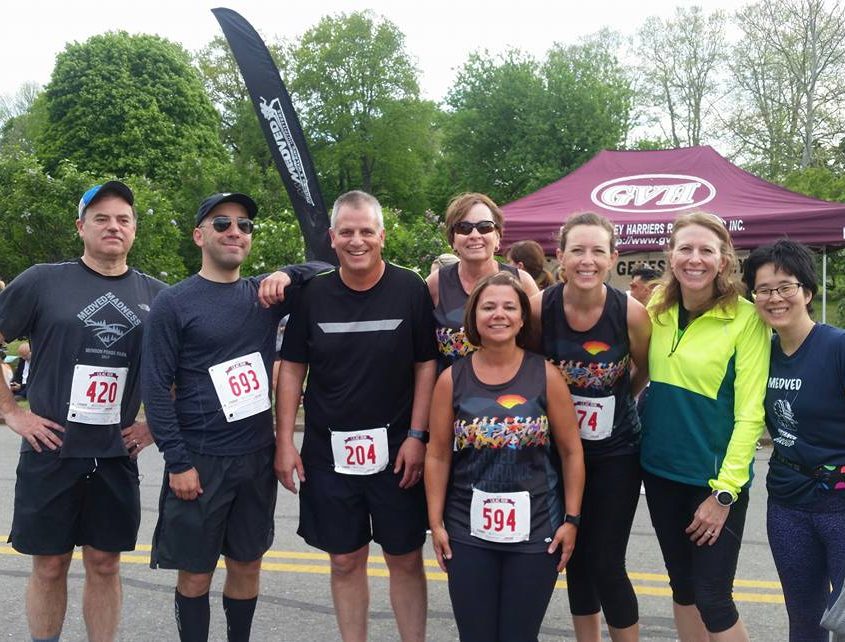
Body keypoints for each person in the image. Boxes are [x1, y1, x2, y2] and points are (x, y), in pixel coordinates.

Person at [141, 192, 326, 642]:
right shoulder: (174, 302)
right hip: (200, 461)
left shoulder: (264, 295)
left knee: (247, 565)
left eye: (244, 225)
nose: (235, 232)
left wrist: (288, 273)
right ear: (199, 236)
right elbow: (155, 388)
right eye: (222, 223)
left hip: (255, 457)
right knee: (196, 573)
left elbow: (329, 269)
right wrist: (178, 462)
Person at [0, 180, 166, 641]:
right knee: (50, 565)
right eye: (101, 218)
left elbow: (185, 369)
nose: (114, 226)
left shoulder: (158, 295)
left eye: (123, 219)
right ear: (80, 227)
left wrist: (153, 425)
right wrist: (11, 412)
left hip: (115, 452)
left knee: (105, 563)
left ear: (134, 229)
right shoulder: (42, 281)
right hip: (51, 447)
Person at [275, 190, 438, 642]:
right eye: (347, 231)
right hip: (329, 453)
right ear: (332, 237)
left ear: (382, 236)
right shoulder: (313, 295)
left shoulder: (410, 288)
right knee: (345, 560)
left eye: (366, 231)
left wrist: (418, 435)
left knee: (404, 558)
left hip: (399, 451)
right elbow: (292, 368)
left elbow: (426, 364)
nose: (357, 240)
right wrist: (284, 439)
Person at [426, 271, 585, 642]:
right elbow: (437, 455)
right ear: (474, 316)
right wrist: (436, 522)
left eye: (509, 307)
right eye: (489, 307)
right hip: (467, 529)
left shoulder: (546, 375)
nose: (499, 314)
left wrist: (572, 519)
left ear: (522, 318)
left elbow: (571, 451)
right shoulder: (451, 379)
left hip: (537, 530)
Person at [641, 211, 770, 641]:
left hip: (712, 482)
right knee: (682, 588)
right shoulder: (657, 307)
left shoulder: (747, 318)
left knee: (713, 599)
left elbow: (750, 414)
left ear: (724, 260)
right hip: (660, 473)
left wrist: (724, 492)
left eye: (706, 250)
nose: (694, 259)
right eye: (685, 249)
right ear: (670, 255)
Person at [530, 212, 651, 642]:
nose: (587, 260)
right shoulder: (539, 309)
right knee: (574, 558)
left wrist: (616, 400)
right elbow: (527, 370)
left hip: (616, 451)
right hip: (556, 453)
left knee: (607, 562)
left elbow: (643, 370)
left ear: (613, 257)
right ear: (560, 256)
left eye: (598, 251)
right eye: (577, 250)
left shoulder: (631, 313)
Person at [742, 239, 845, 642]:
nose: (775, 298)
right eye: (764, 289)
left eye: (785, 286)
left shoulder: (836, 346)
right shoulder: (760, 353)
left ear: (807, 291)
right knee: (804, 621)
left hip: (839, 503)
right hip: (787, 503)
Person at [428, 193, 538, 370]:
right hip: (451, 386)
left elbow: (538, 346)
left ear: (498, 237)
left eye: (484, 227)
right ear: (453, 240)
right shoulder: (436, 284)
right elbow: (423, 356)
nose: (474, 235)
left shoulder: (522, 283)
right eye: (464, 228)